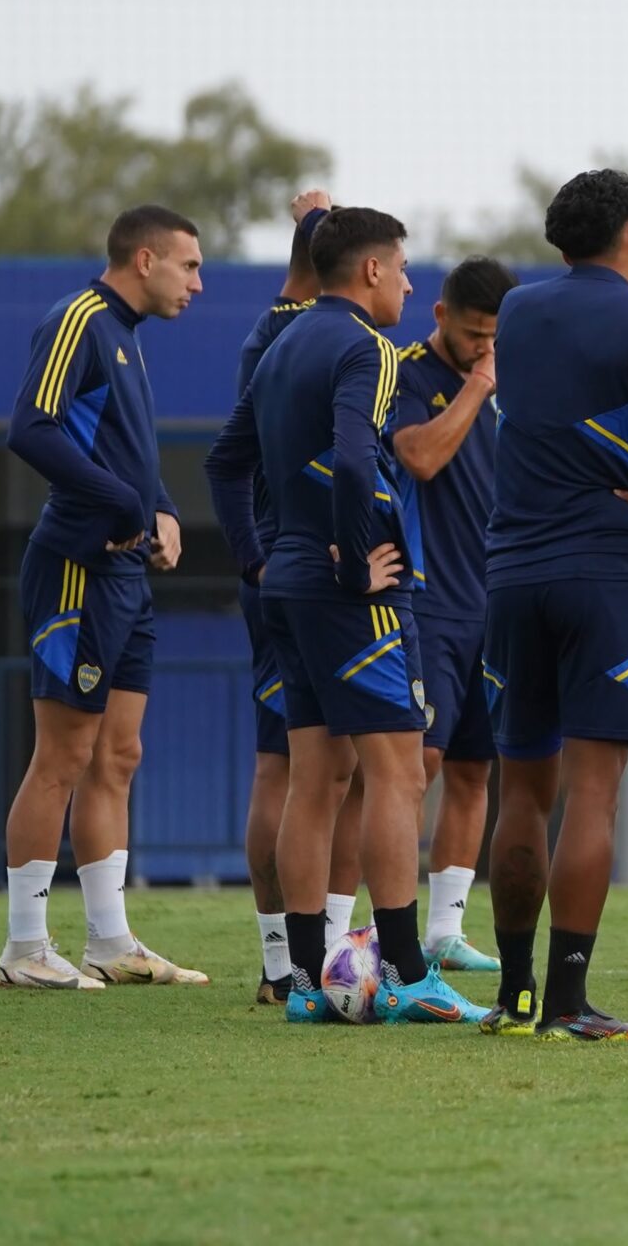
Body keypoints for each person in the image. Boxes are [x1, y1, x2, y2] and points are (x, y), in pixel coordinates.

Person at [206, 205, 482, 1023]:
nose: (407, 281)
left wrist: (259, 557)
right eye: (401, 268)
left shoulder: (284, 340)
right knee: (398, 773)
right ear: (369, 272)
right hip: (344, 594)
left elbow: (226, 464)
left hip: (286, 586)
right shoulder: (367, 349)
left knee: (315, 778)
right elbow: (360, 463)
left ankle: (300, 984)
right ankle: (405, 974)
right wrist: (358, 560)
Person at [481, 170, 628, 1041]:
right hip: (604, 573)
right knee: (593, 795)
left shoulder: (515, 314)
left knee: (521, 794)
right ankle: (571, 1004)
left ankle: (514, 1000)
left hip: (511, 574)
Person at [0, 205, 210, 990]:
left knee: (119, 755)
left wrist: (161, 507)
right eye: (188, 265)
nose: (198, 281)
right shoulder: (79, 318)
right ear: (144, 258)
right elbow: (32, 427)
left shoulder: (129, 337)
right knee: (63, 756)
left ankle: (110, 942)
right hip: (78, 567)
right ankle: (23, 948)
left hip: (126, 575)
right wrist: (122, 504)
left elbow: (124, 445)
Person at [231, 190, 373, 1002]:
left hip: (280, 566)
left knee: (302, 764)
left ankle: (299, 962)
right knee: (310, 766)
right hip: (313, 567)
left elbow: (227, 458)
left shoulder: (279, 336)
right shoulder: (310, 335)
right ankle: (301, 960)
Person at [383, 255, 515, 974]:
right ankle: (384, 930)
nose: (485, 350)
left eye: (497, 338)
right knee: (415, 767)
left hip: (497, 602)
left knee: (474, 768)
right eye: (473, 336)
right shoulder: (406, 374)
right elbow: (421, 459)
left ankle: (445, 932)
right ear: (440, 317)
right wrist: (476, 386)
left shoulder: (515, 380)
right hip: (429, 603)